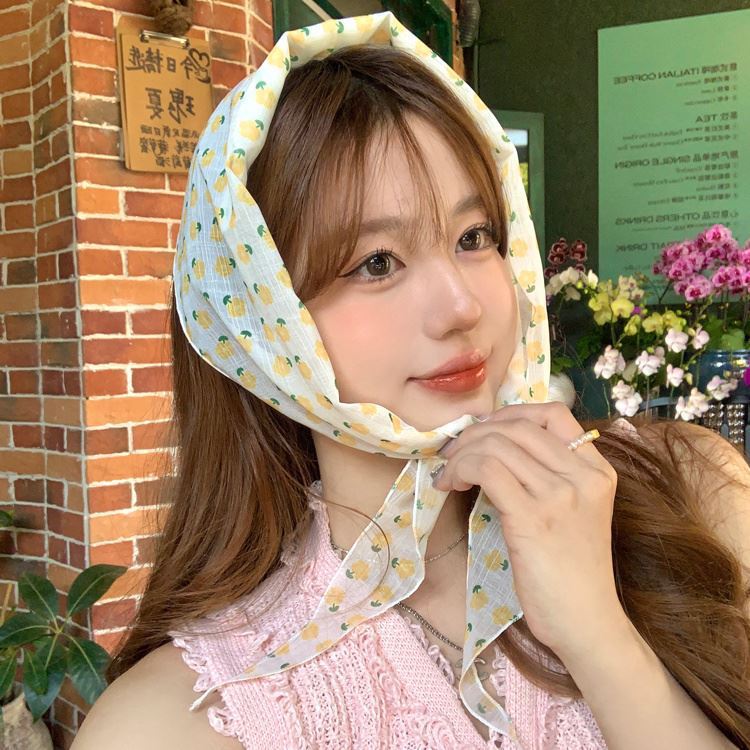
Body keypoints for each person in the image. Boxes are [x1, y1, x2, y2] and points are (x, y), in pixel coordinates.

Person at [72, 12, 750, 750]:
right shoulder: (179, 720)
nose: (461, 307)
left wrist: (598, 636)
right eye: (377, 263)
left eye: (474, 237)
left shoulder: (694, 486)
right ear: (261, 321)